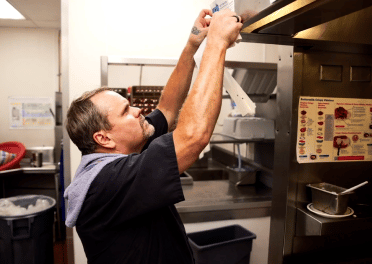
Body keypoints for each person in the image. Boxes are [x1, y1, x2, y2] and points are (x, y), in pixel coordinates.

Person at [64, 9, 243, 264]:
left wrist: (192, 46)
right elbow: (193, 137)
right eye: (126, 111)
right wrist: (217, 42)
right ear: (104, 138)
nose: (138, 110)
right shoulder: (107, 182)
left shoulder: (126, 148)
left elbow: (168, 108)